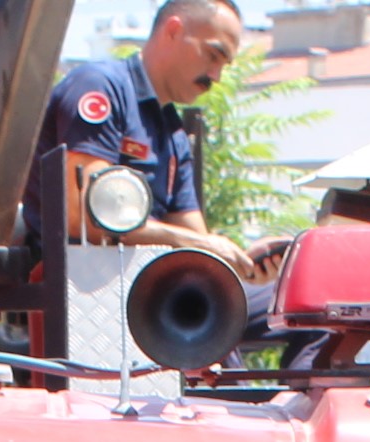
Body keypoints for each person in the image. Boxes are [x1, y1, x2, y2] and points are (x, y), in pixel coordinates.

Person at [43, 0, 259, 275]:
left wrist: (245, 263)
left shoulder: (173, 132)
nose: (216, 76)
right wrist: (198, 243)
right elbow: (85, 220)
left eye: (224, 64)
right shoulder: (101, 87)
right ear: (173, 30)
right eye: (213, 55)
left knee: (283, 301)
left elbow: (197, 243)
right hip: (83, 282)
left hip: (150, 286)